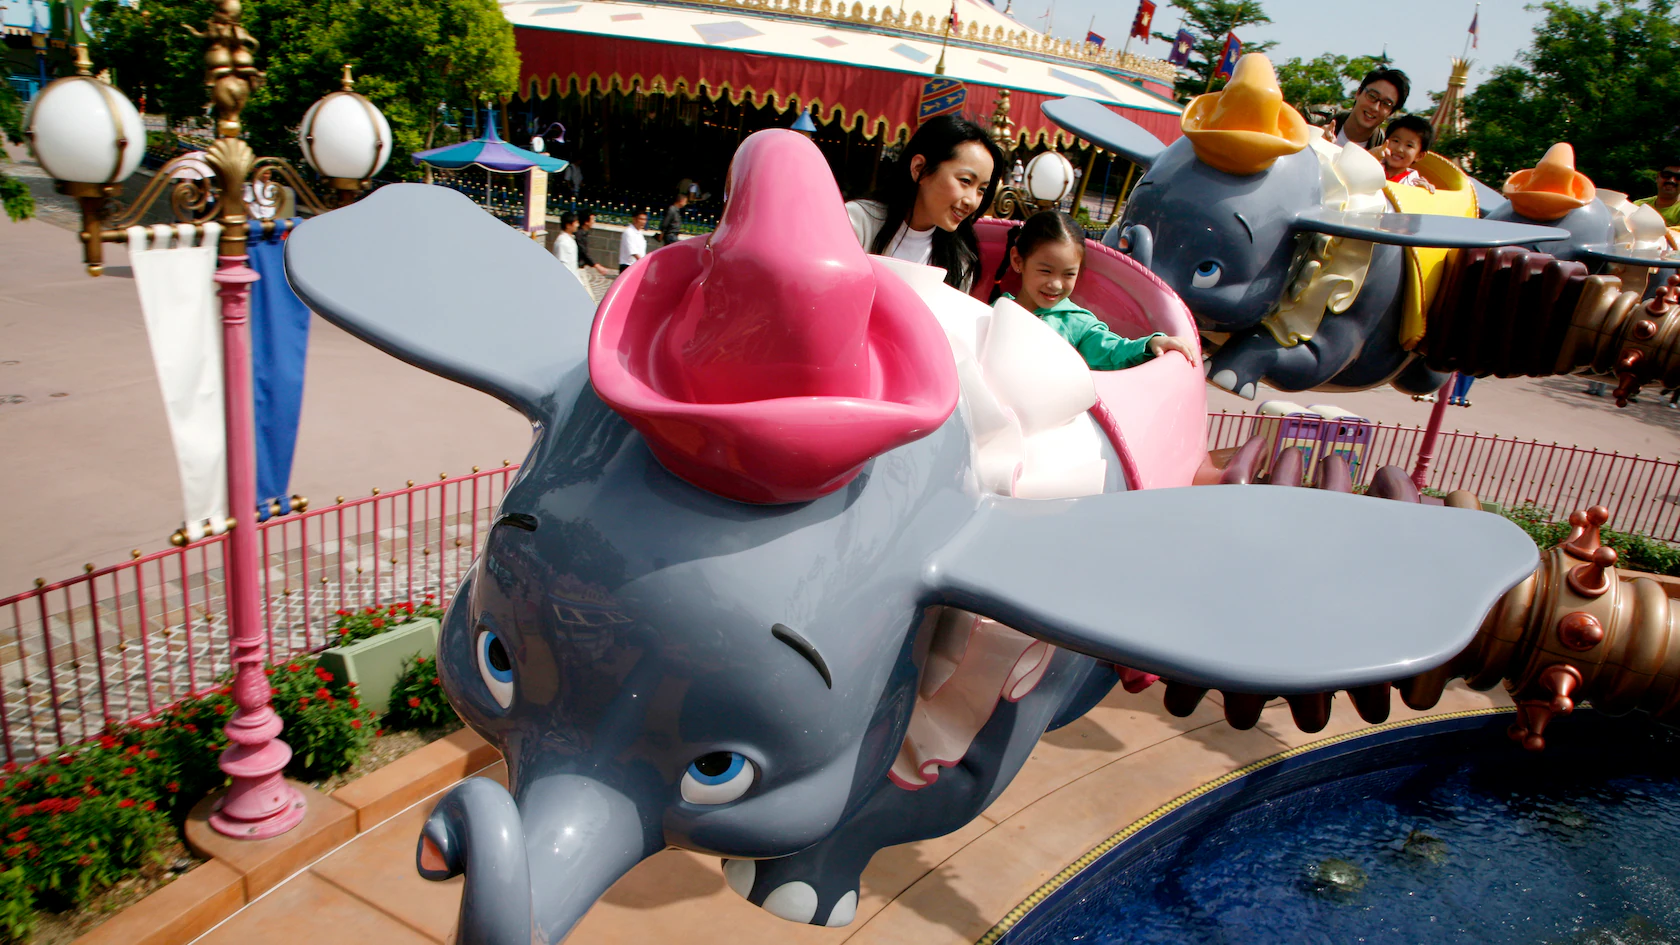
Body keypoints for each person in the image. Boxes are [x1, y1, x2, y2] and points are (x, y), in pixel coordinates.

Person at [988, 210, 1198, 370]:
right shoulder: (993, 311)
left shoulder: (1077, 324)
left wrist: (1151, 343)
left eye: (1068, 274)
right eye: (1045, 271)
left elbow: (1113, 351)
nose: (1056, 284)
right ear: (1018, 261)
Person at [845, 113, 1005, 293]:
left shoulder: (959, 262)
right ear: (919, 168)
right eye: (965, 181)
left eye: (981, 190)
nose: (972, 201)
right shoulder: (856, 223)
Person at [1324, 67, 1409, 151]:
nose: (1375, 108)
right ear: (1358, 93)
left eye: (1386, 104)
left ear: (1391, 112)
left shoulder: (1385, 155)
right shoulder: (1318, 122)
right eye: (1372, 96)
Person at [1380, 114, 1435, 192]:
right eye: (1396, 141)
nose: (1399, 149)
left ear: (1419, 156)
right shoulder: (1371, 165)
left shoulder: (1415, 185)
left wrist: (1423, 193)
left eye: (1409, 145)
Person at [1634, 160, 1680, 228]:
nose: (1671, 180)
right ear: (1658, 177)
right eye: (1667, 175)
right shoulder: (1638, 206)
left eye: (1678, 177)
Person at [575, 210, 616, 278]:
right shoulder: (579, 235)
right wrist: (597, 266)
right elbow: (584, 253)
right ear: (586, 222)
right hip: (577, 268)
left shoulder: (583, 233)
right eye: (592, 219)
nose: (594, 222)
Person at [551, 211, 584, 283]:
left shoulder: (570, 239)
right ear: (568, 225)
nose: (577, 225)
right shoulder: (562, 243)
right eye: (575, 223)